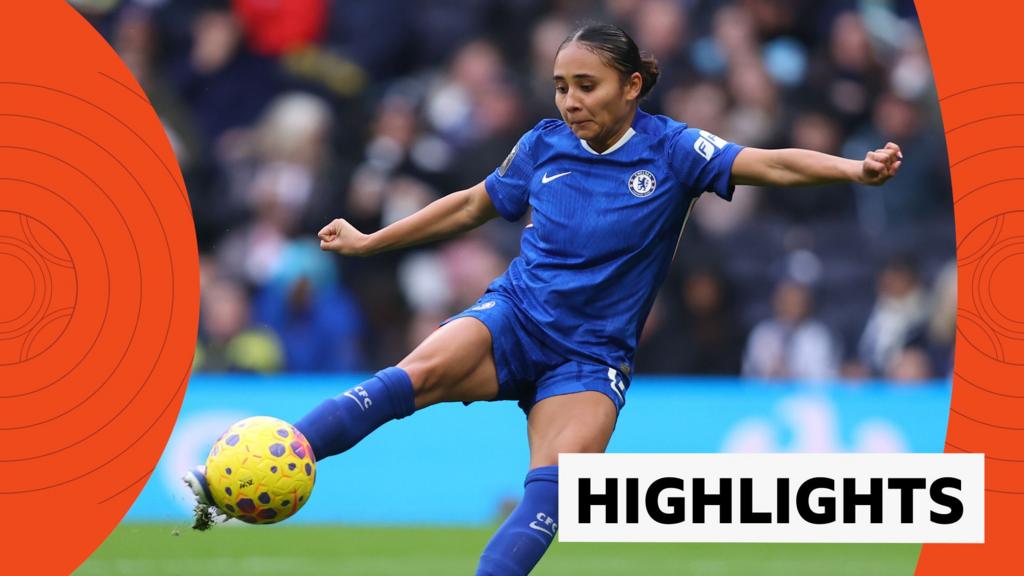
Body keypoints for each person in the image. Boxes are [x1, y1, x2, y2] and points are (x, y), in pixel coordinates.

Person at [185, 23, 901, 575]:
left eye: (587, 85)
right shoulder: (542, 145)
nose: (571, 101)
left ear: (632, 86)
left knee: (557, 487)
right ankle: (237, 478)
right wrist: (375, 241)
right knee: (409, 377)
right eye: (561, 86)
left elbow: (768, 162)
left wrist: (854, 169)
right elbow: (473, 204)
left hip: (590, 358)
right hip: (515, 318)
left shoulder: (674, 149)